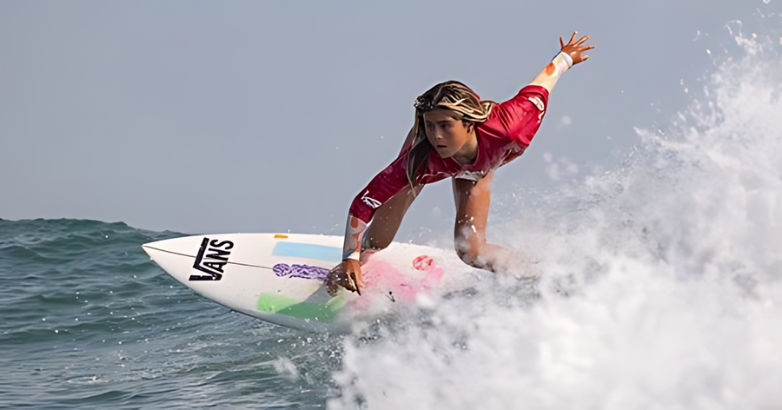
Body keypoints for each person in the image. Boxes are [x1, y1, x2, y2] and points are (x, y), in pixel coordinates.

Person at [327, 33, 594, 296]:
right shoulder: (420, 157)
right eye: (430, 126)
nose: (436, 135)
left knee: (471, 251)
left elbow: (544, 81)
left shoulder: (510, 126)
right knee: (382, 230)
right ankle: (362, 264)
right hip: (427, 169)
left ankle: (540, 276)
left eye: (445, 126)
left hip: (479, 167)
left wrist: (566, 57)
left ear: (469, 124)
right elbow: (364, 203)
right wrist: (351, 255)